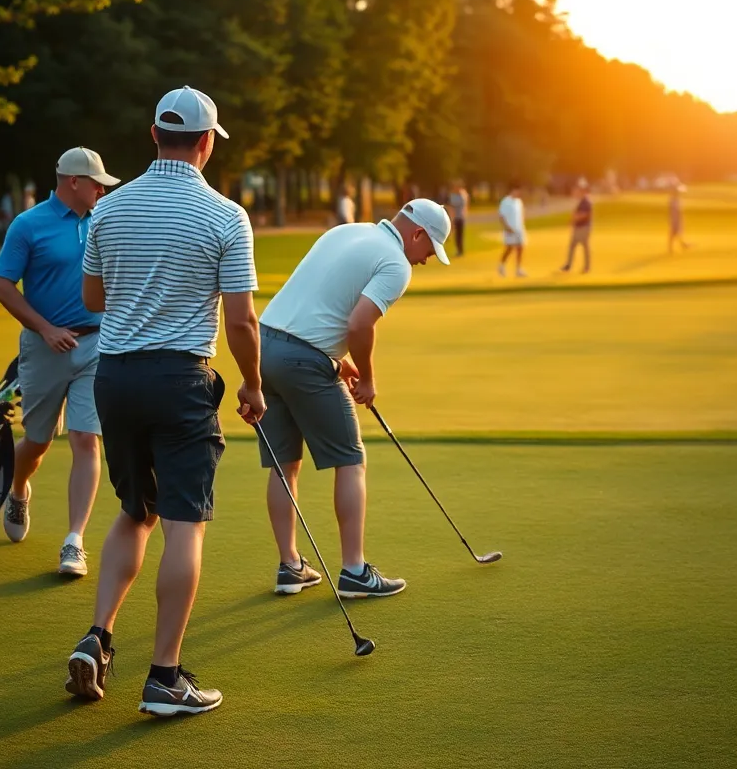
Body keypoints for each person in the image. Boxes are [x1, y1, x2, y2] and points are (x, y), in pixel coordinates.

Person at [65, 85, 265, 718]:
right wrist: (254, 387)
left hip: (115, 379)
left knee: (134, 509)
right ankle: (165, 677)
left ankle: (98, 637)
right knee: (184, 521)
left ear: (154, 135)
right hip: (180, 379)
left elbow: (93, 300)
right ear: (206, 143)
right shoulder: (226, 216)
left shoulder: (109, 210)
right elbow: (241, 323)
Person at [255, 198, 451, 601]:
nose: (426, 260)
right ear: (416, 234)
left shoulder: (346, 231)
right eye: (429, 249)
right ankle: (355, 572)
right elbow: (359, 323)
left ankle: (290, 567)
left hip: (264, 346)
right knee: (350, 460)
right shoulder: (395, 263)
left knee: (284, 463)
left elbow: (313, 303)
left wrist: (336, 359)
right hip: (303, 360)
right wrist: (369, 379)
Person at [0, 147, 121, 576]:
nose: (103, 190)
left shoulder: (105, 219)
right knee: (40, 441)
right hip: (44, 347)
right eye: (97, 183)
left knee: (87, 439)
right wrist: (46, 329)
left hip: (97, 345)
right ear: (73, 182)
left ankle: (74, 541)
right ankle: (18, 487)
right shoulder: (28, 225)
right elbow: (2, 285)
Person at [561, 178, 592, 273]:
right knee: (572, 246)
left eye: (580, 190)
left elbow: (586, 215)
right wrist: (572, 220)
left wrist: (576, 218)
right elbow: (575, 213)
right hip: (578, 227)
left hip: (584, 227)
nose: (579, 192)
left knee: (585, 246)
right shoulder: (581, 201)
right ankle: (569, 265)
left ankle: (586, 267)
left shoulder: (586, 202)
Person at [497, 181, 526, 277]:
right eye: (517, 191)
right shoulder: (506, 201)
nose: (519, 193)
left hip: (519, 228)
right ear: (512, 190)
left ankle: (518, 269)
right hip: (510, 229)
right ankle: (501, 265)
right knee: (509, 248)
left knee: (520, 248)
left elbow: (521, 215)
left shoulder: (519, 202)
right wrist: (507, 227)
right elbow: (501, 216)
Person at [668, 184, 692, 254]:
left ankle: (682, 245)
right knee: (674, 232)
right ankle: (674, 247)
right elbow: (678, 211)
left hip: (675, 218)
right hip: (676, 219)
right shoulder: (674, 201)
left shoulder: (674, 200)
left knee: (677, 233)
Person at [448, 182, 469, 257]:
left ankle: (461, 250)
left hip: (461, 216)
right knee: (457, 235)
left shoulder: (463, 195)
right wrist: (451, 217)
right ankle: (459, 250)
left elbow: (463, 204)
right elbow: (452, 207)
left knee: (460, 234)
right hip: (455, 217)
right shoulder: (453, 196)